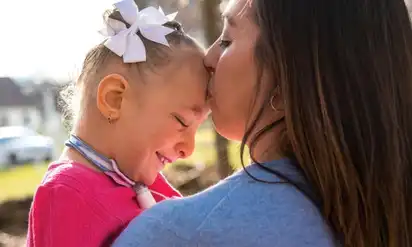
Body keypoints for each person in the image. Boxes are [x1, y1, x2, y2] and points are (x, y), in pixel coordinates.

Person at [113, 0, 412, 246]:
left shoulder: (178, 234)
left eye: (228, 40)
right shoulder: (386, 220)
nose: (209, 57)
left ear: (286, 81)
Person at [26, 0, 209, 246]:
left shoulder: (141, 179)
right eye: (181, 121)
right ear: (114, 98)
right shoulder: (66, 194)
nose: (189, 148)